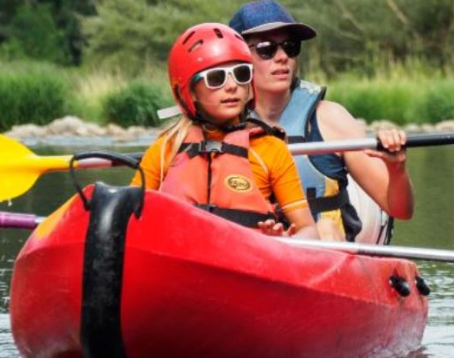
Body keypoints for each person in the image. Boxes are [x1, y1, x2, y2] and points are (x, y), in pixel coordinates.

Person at [228, 0, 414, 242]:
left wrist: (396, 168)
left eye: (290, 46)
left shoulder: (330, 119)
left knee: (325, 228)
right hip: (254, 250)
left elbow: (400, 210)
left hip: (325, 260)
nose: (282, 57)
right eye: (266, 48)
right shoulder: (221, 124)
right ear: (238, 57)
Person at [133, 22, 319, 239]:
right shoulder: (167, 148)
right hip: (179, 255)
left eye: (241, 74)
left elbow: (309, 230)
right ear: (190, 92)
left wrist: (281, 243)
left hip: (252, 260)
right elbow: (130, 217)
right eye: (216, 78)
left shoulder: (271, 148)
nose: (232, 86)